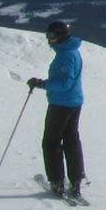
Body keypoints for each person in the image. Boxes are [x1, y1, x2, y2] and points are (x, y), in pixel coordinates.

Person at [26, 21, 86, 198]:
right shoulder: (70, 51)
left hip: (61, 104)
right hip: (74, 102)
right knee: (71, 140)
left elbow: (64, 83)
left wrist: (42, 84)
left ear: (60, 37)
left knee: (51, 142)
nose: (48, 40)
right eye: (47, 36)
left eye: (51, 36)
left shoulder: (66, 55)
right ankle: (75, 180)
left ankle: (57, 181)